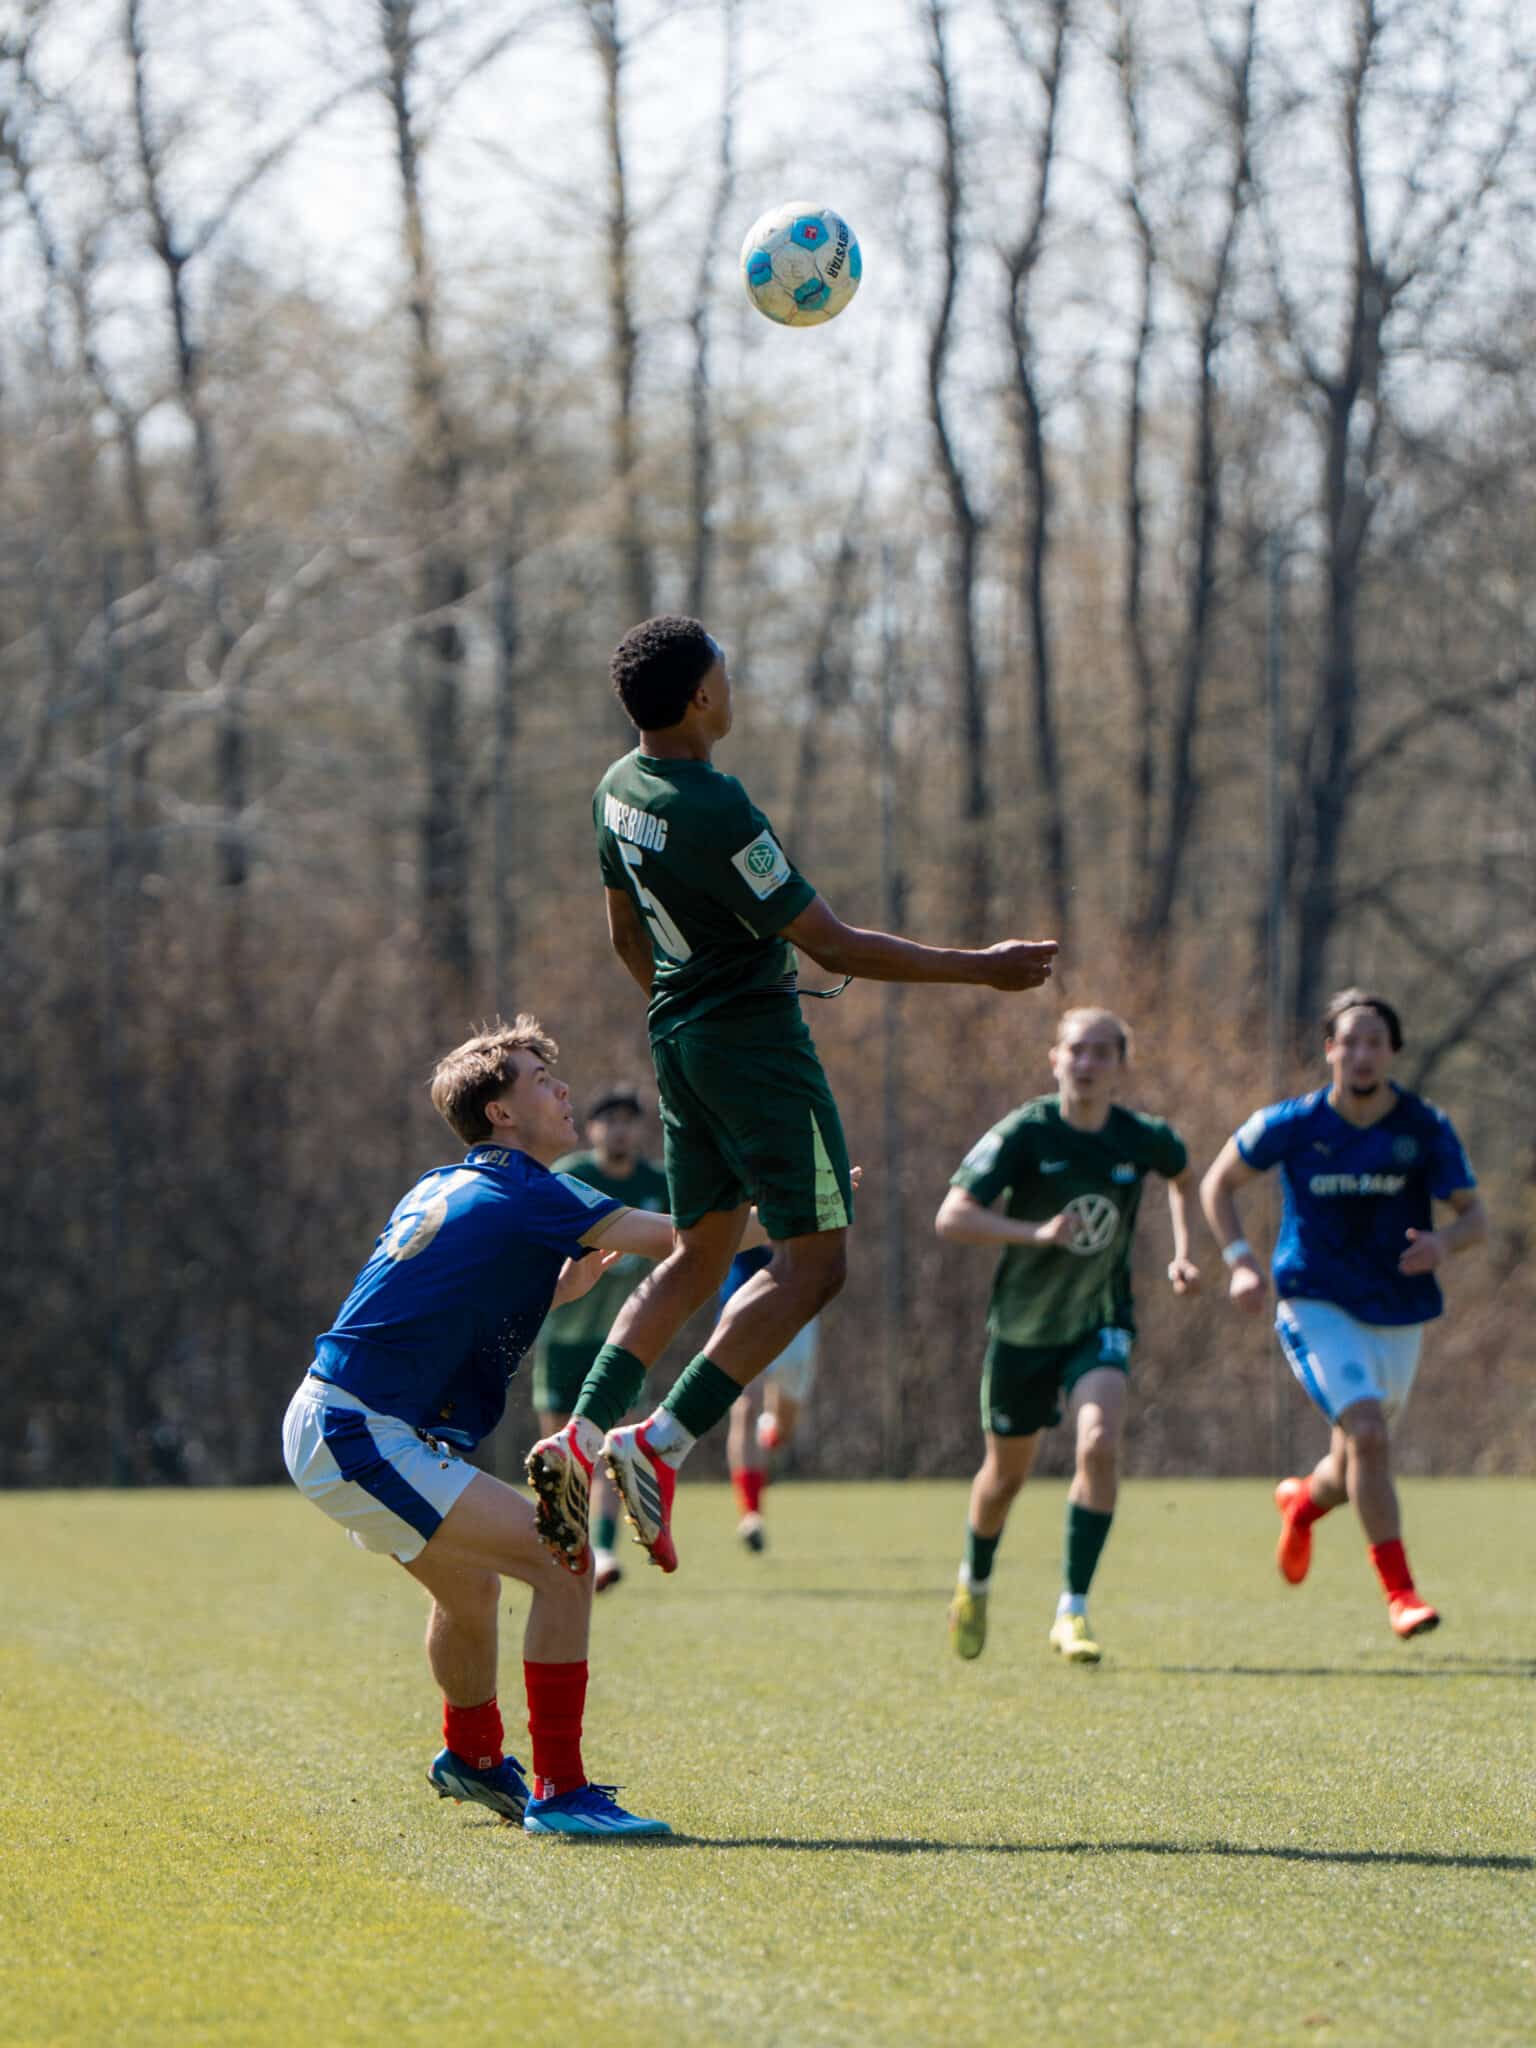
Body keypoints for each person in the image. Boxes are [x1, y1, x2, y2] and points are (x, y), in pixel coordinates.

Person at [526, 613, 1058, 1579]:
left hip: (678, 1040)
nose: (733, 685)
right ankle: (660, 1442)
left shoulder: (615, 790)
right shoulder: (716, 806)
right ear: (700, 697)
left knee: (698, 1255)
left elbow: (624, 938)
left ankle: (579, 1434)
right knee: (815, 1266)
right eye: (724, 673)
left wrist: (688, 1014)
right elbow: (836, 946)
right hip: (755, 1050)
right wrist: (983, 968)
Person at [280, 1017, 683, 1838]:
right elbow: (679, 1240)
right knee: (564, 1558)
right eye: (540, 1079)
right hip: (360, 1431)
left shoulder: (449, 1184)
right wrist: (800, 1212)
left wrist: (556, 1292)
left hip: (340, 1421)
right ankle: (562, 1793)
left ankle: (471, 1757)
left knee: (471, 1591)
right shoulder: (529, 1189)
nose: (563, 1090)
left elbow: (451, 1300)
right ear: (500, 1113)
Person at [1201, 988, 1486, 1638]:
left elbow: (1476, 1218)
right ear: (1329, 1049)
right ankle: (1402, 1596)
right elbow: (1219, 1182)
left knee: (1357, 1454)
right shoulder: (1292, 1123)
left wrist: (1443, 1242)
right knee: (1370, 1435)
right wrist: (1241, 1260)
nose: (1361, 1054)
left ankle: (1304, 1502)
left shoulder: (1423, 1126)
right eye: (1349, 1041)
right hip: (1315, 1300)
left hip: (1398, 1308)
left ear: (1392, 1052)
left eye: (1374, 1042)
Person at [935, 1008, 1200, 1665]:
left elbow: (1182, 1175)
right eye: (1076, 1050)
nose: (1087, 1063)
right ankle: (975, 1583)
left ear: (1120, 1066)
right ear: (1054, 1058)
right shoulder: (1026, 1133)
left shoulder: (1140, 1137)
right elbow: (953, 1216)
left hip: (1099, 1320)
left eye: (1102, 1052)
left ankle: (1072, 1610)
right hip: (1023, 1330)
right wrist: (1036, 1233)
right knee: (1005, 1478)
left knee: (1100, 1444)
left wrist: (1184, 1252)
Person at [529, 1084, 669, 1592]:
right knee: (560, 1454)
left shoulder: (657, 1183)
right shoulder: (571, 1177)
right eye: (609, 1120)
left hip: (621, 1342)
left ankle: (603, 1550)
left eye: (628, 1120)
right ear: (591, 1129)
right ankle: (560, 1546)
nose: (619, 1130)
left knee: (610, 1446)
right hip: (563, 1339)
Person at [720, 1245, 820, 1551]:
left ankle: (768, 1440)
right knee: (746, 1406)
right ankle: (751, 1514)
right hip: (742, 1301)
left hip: (796, 1305)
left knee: (784, 1425)